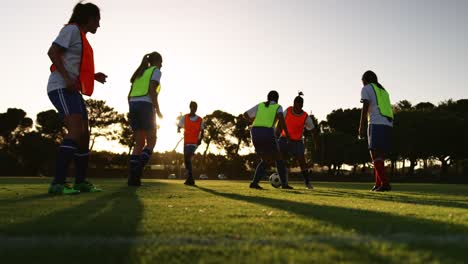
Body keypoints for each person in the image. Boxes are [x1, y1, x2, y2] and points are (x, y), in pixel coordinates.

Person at [47, 2, 107, 194]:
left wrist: (93, 76)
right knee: (75, 129)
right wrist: (66, 78)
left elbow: (74, 65)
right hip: (60, 87)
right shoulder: (72, 30)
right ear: (89, 19)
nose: (99, 25)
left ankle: (80, 182)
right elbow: (52, 52)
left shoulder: (81, 38)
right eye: (98, 20)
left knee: (84, 134)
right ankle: (57, 183)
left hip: (72, 89)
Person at [244, 90, 293, 189]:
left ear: (268, 98)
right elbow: (281, 119)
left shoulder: (261, 105)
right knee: (279, 158)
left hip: (254, 132)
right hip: (267, 132)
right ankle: (284, 184)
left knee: (266, 159)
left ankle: (254, 183)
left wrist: (254, 121)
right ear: (277, 99)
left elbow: (245, 114)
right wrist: (287, 134)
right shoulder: (278, 107)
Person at [127, 52, 163, 186]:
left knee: (139, 143)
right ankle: (136, 172)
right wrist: (158, 110)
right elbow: (152, 90)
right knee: (151, 141)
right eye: (161, 62)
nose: (162, 65)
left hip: (133, 105)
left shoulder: (139, 73)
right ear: (157, 61)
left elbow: (129, 95)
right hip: (146, 105)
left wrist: (131, 110)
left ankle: (132, 177)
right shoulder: (156, 71)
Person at [358, 70, 393, 192]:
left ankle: (385, 183)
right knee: (379, 156)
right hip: (388, 124)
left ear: (365, 80)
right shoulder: (383, 91)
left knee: (374, 153)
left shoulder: (367, 88)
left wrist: (361, 126)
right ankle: (378, 184)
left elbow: (365, 106)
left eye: (362, 81)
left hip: (376, 123)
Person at [278, 92, 320, 189]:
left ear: (302, 105)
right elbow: (280, 122)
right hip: (284, 139)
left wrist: (316, 144)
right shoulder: (287, 110)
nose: (296, 107)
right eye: (295, 104)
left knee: (302, 162)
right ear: (293, 103)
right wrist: (277, 134)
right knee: (280, 159)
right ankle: (284, 182)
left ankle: (307, 183)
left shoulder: (305, 116)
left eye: (299, 105)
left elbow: (313, 131)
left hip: (297, 141)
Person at [177, 101, 205, 186]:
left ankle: (190, 179)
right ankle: (190, 179)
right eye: (193, 107)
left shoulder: (200, 119)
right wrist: (178, 129)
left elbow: (202, 130)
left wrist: (200, 139)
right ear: (190, 107)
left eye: (195, 107)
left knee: (188, 157)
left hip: (194, 143)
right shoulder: (184, 117)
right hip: (186, 142)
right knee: (186, 160)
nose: (194, 109)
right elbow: (179, 125)